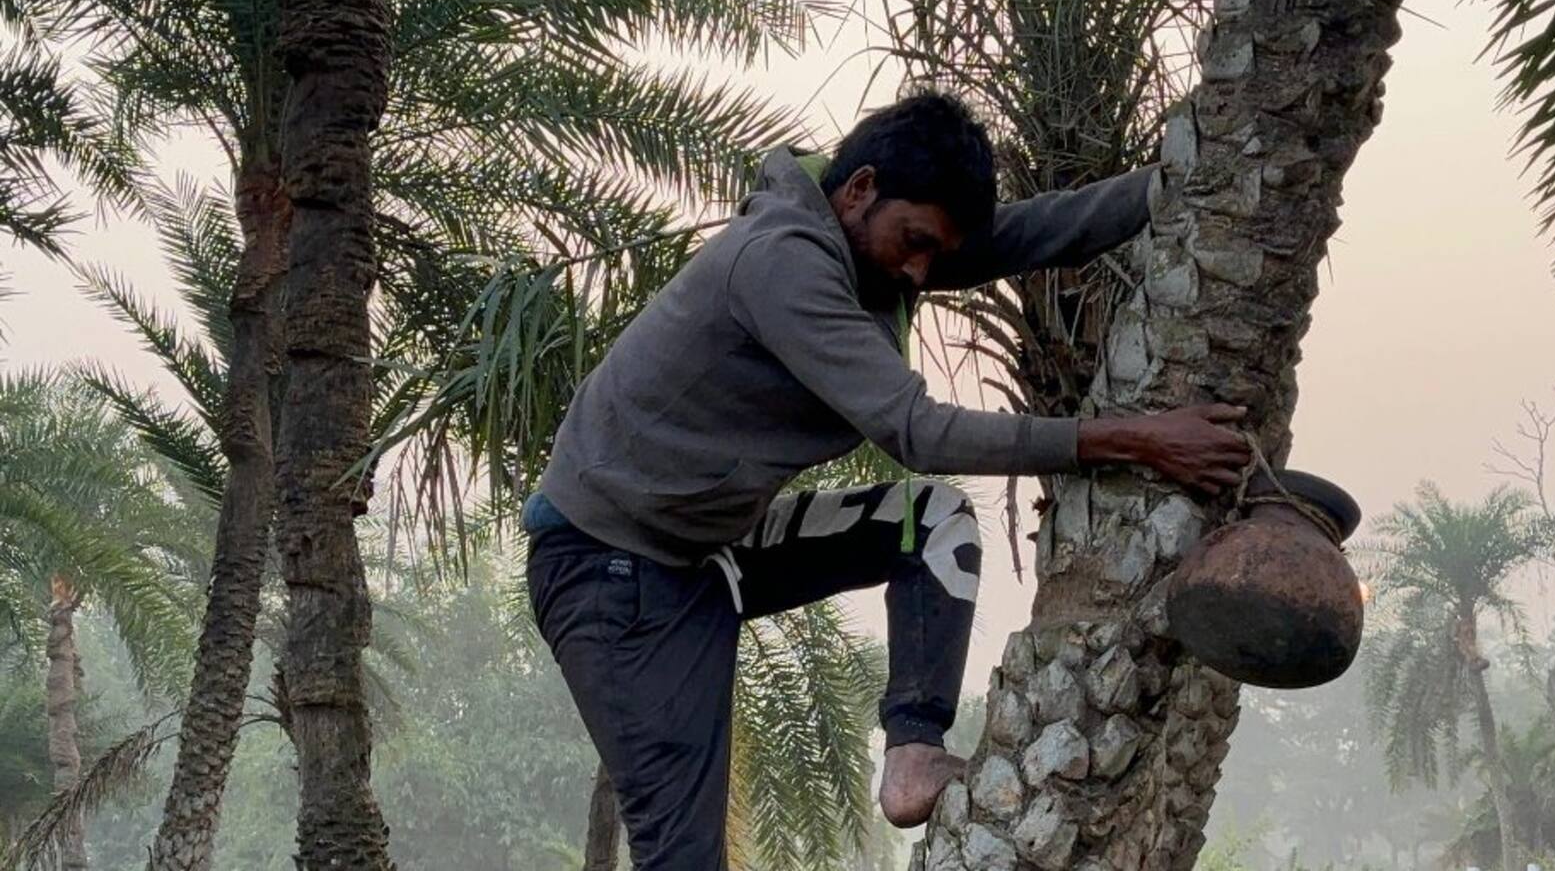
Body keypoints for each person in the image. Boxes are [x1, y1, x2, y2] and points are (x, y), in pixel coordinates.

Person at [523, 91, 1251, 868]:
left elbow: (1032, 230)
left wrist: (1174, 180)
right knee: (682, 853)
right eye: (915, 243)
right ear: (860, 188)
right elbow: (917, 430)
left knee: (934, 526)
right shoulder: (780, 263)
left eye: (935, 253)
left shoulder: (874, 241)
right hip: (614, 569)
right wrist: (1134, 441)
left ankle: (912, 752)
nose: (920, 271)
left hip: (712, 544)